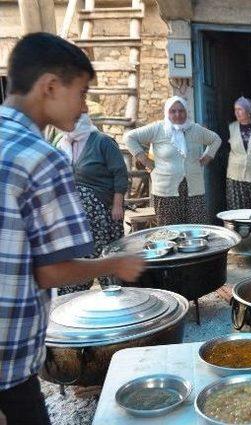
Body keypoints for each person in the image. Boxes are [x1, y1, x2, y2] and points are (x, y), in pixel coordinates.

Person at [0, 32, 144, 425]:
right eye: (81, 92)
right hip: (7, 355)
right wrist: (114, 265)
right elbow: (50, 271)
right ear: (49, 86)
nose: (84, 107)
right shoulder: (43, 158)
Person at [54, 113, 129, 295]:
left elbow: (120, 173)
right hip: (70, 216)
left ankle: (116, 302)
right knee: (74, 259)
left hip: (101, 213)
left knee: (104, 258)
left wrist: (117, 204)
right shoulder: (61, 143)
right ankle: (73, 303)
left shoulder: (102, 141)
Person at [125, 96, 222, 225]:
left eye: (181, 111)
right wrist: (145, 160)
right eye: (173, 111)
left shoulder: (195, 129)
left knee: (195, 228)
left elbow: (215, 139)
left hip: (194, 190)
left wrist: (207, 157)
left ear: (186, 112)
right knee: (170, 230)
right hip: (166, 191)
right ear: (167, 112)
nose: (178, 114)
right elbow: (129, 137)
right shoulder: (158, 129)